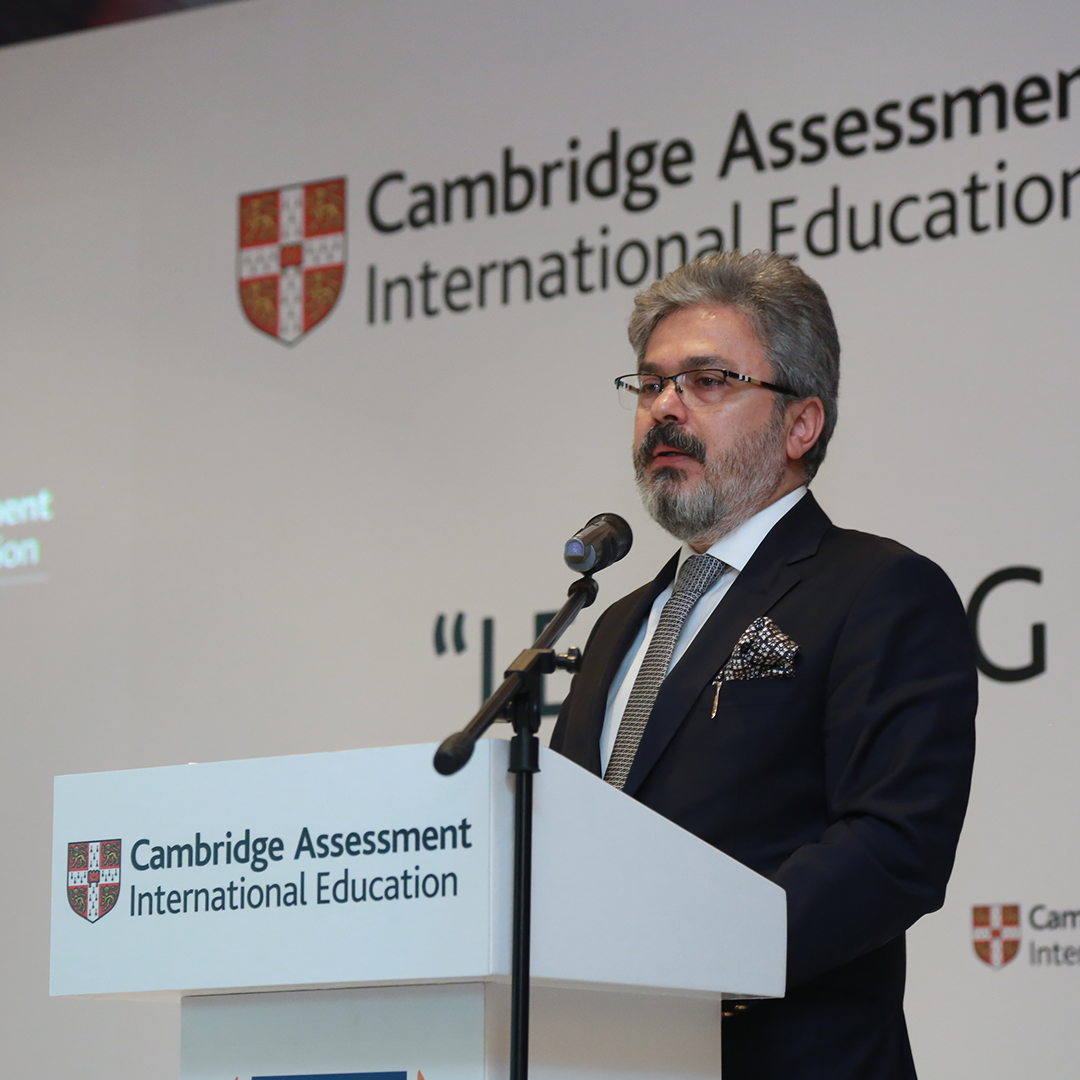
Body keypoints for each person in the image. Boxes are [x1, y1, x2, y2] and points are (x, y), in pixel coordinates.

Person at [549, 251, 977, 1080]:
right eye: (651, 384)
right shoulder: (617, 624)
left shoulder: (878, 589)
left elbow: (894, 845)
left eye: (707, 381)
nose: (665, 407)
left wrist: (689, 960)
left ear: (800, 424)